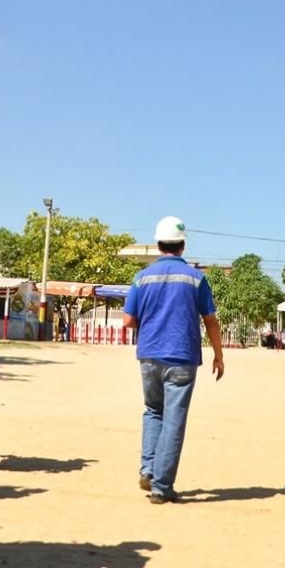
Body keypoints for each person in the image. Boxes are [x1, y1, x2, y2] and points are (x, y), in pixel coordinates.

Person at [121, 216, 224, 504]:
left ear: (158, 244)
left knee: (153, 411)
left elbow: (128, 320)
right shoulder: (195, 278)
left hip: (148, 355)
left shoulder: (142, 277)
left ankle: (148, 468)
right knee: (174, 421)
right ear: (183, 245)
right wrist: (219, 354)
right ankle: (161, 486)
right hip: (182, 357)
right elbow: (211, 321)